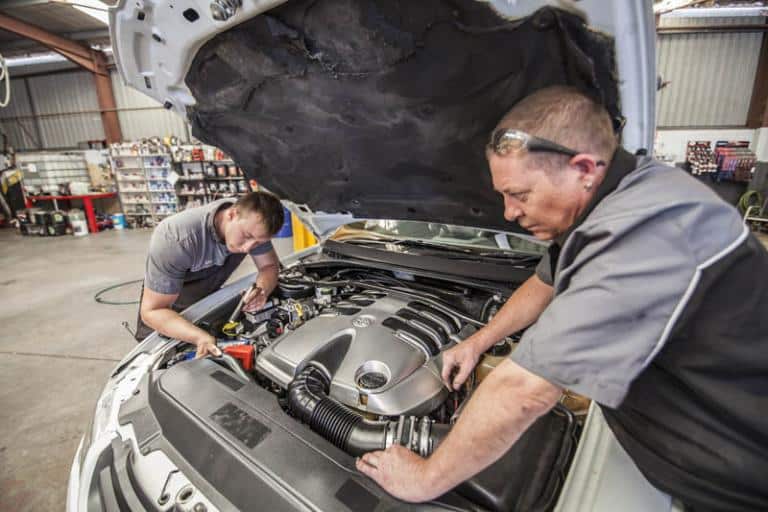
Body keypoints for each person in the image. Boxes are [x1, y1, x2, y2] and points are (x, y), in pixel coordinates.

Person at [356, 86, 768, 511]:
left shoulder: (648, 233)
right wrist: (478, 341)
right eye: (503, 196)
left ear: (584, 169)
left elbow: (525, 391)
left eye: (519, 194)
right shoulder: (617, 197)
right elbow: (546, 281)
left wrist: (425, 479)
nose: (508, 213)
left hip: (742, 485)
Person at [136, 191, 284, 358]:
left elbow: (269, 266)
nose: (248, 248)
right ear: (232, 214)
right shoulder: (176, 239)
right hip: (166, 303)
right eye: (247, 236)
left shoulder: (253, 222)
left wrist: (262, 290)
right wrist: (199, 337)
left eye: (258, 243)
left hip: (205, 297)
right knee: (159, 360)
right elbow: (153, 311)